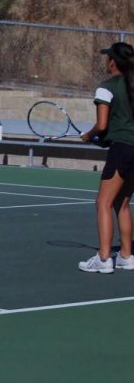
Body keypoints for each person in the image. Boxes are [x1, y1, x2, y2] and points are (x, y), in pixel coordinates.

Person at [78, 42, 134, 273]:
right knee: (122, 203)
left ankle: (103, 259)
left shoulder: (105, 88)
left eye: (107, 57)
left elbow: (102, 125)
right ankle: (126, 256)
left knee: (102, 202)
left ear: (112, 62)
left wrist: (89, 135)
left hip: (122, 150)